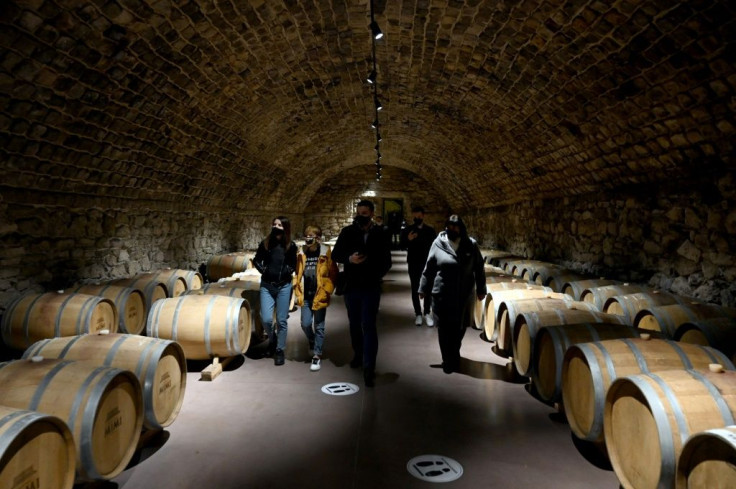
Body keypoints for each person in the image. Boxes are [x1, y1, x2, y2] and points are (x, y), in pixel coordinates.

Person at [331, 199, 392, 386]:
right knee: (354, 324)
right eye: (359, 213)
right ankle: (358, 354)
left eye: (365, 213)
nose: (361, 216)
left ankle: (369, 367)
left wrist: (374, 272)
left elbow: (387, 260)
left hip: (371, 286)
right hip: (352, 286)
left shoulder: (380, 233)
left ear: (372, 214)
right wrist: (350, 259)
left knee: (369, 325)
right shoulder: (348, 232)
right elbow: (335, 255)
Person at [418, 215, 487, 374]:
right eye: (449, 226)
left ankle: (454, 353)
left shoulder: (470, 244)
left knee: (459, 327)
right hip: (442, 294)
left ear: (461, 228)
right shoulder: (438, 243)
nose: (452, 229)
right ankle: (447, 359)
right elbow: (429, 268)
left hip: (464, 295)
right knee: (444, 328)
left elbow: (479, 268)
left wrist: (482, 289)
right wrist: (422, 288)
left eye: (455, 226)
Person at [253, 216, 298, 366]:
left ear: (285, 227)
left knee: (281, 320)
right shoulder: (265, 243)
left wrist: (287, 271)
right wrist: (264, 270)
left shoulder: (290, 246)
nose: (276, 226)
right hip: (267, 285)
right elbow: (257, 260)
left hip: (284, 286)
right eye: (274, 224)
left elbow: (293, 264)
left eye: (279, 224)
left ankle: (279, 350)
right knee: (265, 318)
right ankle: (272, 340)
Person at [294, 224, 338, 372]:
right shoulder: (302, 252)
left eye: (311, 236)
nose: (308, 239)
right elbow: (298, 271)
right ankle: (312, 340)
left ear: (318, 238)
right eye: (306, 236)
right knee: (305, 324)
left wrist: (328, 289)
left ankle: (317, 355)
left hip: (320, 294)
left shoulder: (325, 252)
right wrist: (296, 286)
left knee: (319, 325)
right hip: (306, 295)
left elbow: (333, 271)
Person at [400, 206, 437, 327]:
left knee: (428, 288)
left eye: (419, 216)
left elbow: (435, 247)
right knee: (415, 288)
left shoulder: (430, 230)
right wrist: (408, 239)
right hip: (414, 263)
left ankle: (427, 312)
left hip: (427, 263)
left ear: (423, 216)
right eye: (415, 216)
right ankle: (418, 314)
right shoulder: (408, 230)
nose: (417, 218)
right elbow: (401, 245)